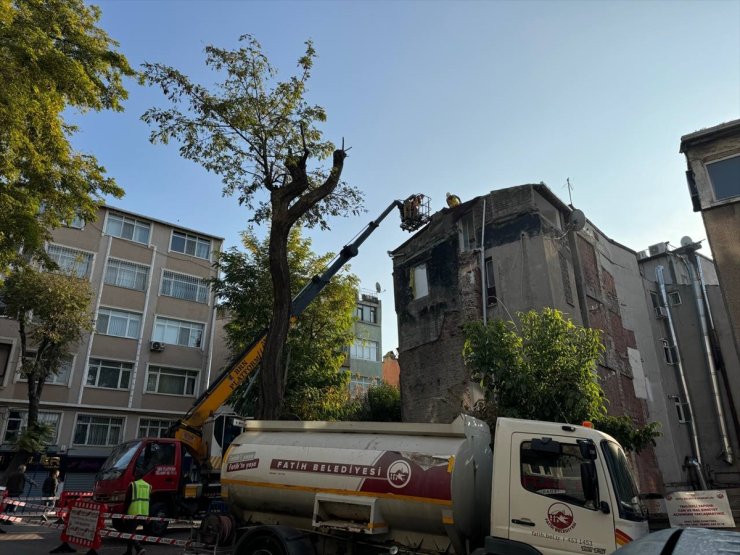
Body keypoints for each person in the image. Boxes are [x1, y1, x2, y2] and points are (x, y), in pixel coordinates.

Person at [123, 471, 150, 555]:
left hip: (133, 512)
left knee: (129, 532)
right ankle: (129, 551)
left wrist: (124, 512)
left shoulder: (133, 485)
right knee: (131, 531)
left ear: (136, 476)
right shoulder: (148, 486)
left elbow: (127, 500)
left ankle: (139, 548)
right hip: (144, 512)